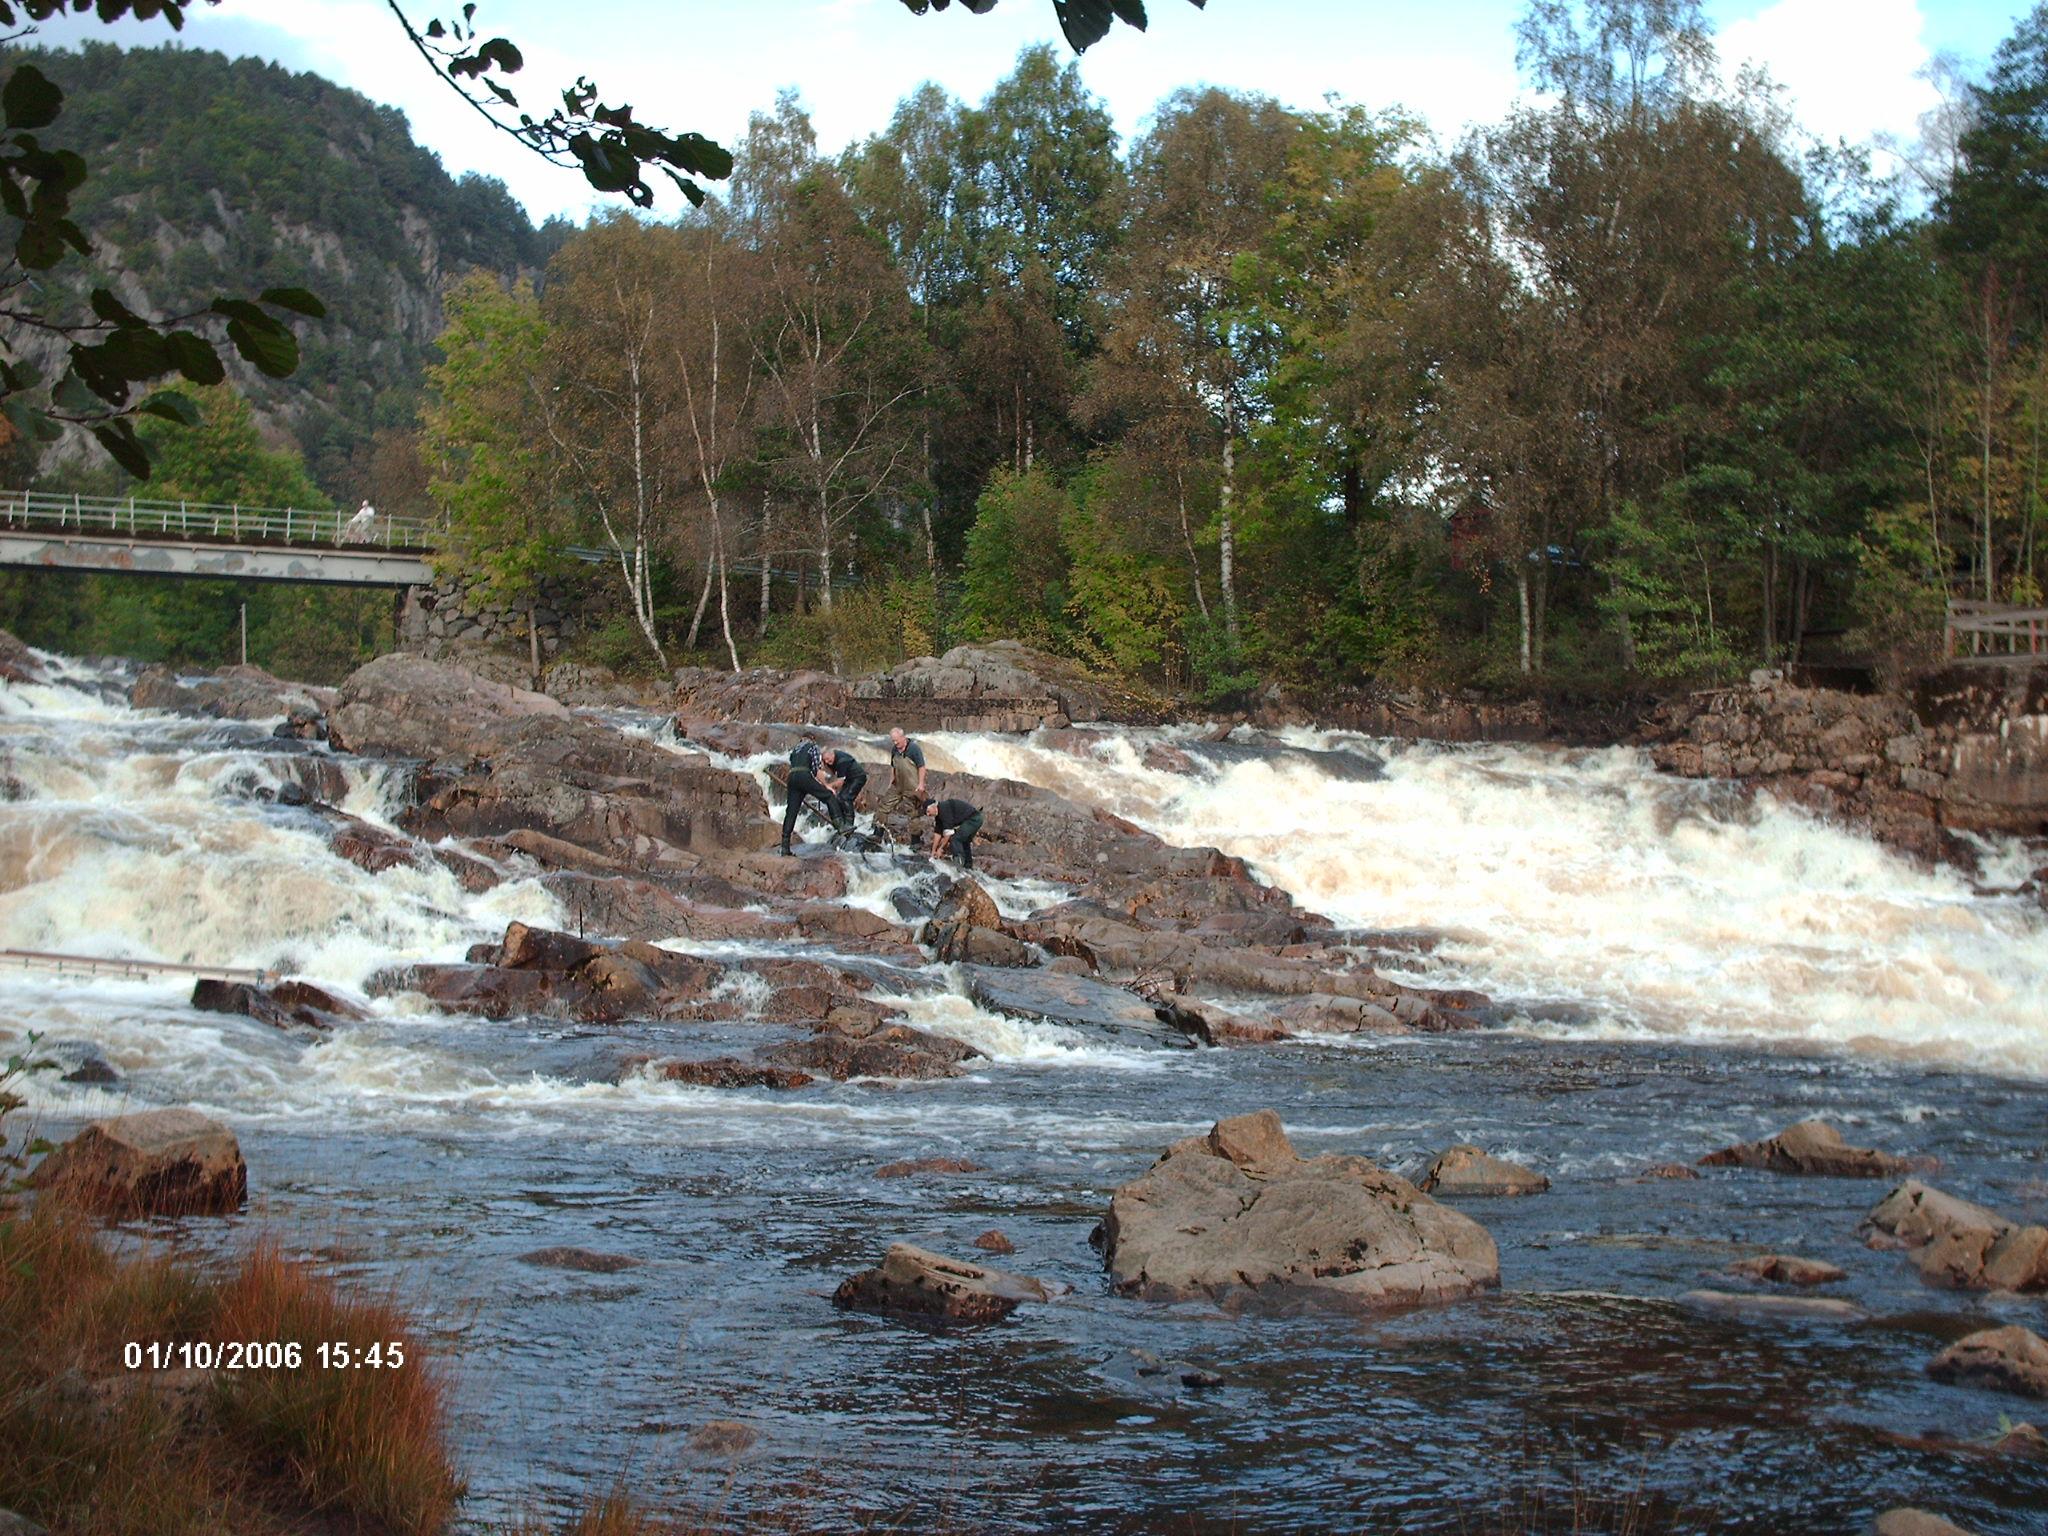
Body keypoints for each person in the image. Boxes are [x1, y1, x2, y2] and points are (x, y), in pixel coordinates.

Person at [780, 736, 844, 854]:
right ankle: (841, 827)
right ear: (811, 739)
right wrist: (826, 786)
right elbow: (816, 769)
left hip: (792, 778)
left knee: (791, 812)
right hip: (804, 776)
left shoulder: (795, 749)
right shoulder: (812, 747)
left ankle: (784, 847)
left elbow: (792, 764)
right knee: (828, 796)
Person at [926, 796, 983, 870]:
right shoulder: (938, 816)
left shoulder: (944, 810)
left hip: (974, 819)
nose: (928, 814)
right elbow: (938, 833)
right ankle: (968, 866)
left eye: (928, 811)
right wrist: (933, 850)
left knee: (955, 839)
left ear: (933, 807)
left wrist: (940, 849)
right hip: (973, 819)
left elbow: (949, 834)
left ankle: (959, 863)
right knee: (964, 841)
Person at [821, 746, 867, 827]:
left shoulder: (841, 761)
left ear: (832, 754)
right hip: (849, 778)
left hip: (858, 777)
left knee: (846, 798)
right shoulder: (830, 760)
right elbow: (830, 773)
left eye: (828, 759)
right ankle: (842, 821)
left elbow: (839, 783)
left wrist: (828, 786)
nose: (827, 762)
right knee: (839, 798)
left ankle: (849, 824)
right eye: (825, 760)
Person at [888, 727, 927, 809]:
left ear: (903, 738)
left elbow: (921, 767)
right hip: (899, 785)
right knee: (885, 805)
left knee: (913, 807)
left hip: (913, 786)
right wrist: (891, 781)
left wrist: (921, 784)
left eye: (897, 741)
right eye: (893, 741)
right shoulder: (894, 750)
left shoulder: (914, 748)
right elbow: (893, 766)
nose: (895, 743)